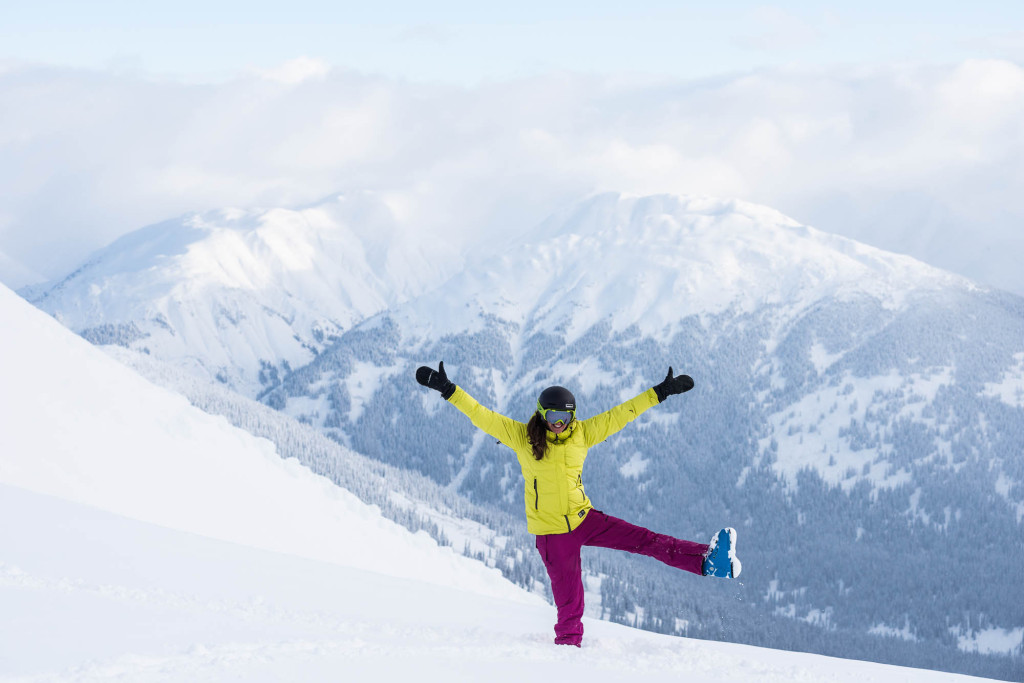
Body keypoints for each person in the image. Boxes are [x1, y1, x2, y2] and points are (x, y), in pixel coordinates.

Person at [415, 361, 741, 647]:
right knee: (570, 606)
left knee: (646, 540)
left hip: (585, 519)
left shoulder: (583, 433)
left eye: (566, 416)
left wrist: (659, 392)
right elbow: (481, 415)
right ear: (541, 414)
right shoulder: (521, 437)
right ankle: (568, 660)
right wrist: (449, 389)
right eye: (553, 415)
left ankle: (707, 560)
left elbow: (621, 414)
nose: (559, 422)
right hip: (552, 535)